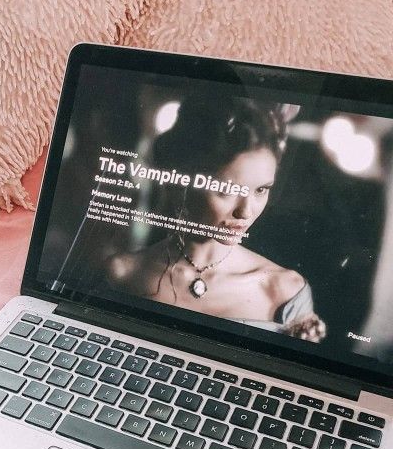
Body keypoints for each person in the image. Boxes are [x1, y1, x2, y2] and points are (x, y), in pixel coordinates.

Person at [106, 97, 326, 341]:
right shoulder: (123, 273)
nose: (245, 212)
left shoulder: (284, 290)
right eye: (229, 190)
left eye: (261, 190)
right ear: (184, 182)